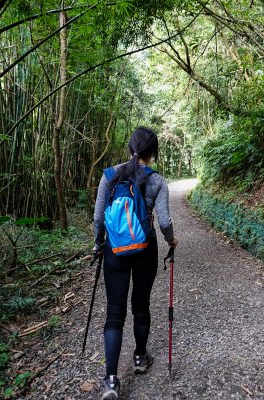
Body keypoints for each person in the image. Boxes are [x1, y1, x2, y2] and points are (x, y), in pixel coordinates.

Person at [93, 126, 178, 400]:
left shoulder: (110, 176)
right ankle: (140, 358)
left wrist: (98, 244)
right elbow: (164, 221)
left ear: (130, 148)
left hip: (114, 251)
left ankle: (110, 380)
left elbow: (98, 219)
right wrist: (171, 240)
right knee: (140, 305)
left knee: (114, 312)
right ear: (152, 153)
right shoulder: (158, 181)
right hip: (145, 249)